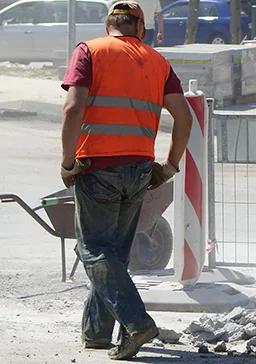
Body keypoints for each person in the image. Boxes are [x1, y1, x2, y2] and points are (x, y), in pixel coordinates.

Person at [59, 1, 192, 360]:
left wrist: (68, 161)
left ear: (108, 26)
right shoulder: (158, 61)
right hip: (140, 168)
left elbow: (73, 108)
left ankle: (136, 323)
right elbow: (184, 116)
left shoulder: (89, 50)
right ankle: (97, 334)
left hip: (98, 166)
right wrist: (170, 165)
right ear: (140, 30)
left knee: (93, 250)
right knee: (114, 253)